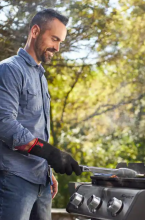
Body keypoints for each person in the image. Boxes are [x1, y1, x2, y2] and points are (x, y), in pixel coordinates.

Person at [0, 9, 82, 220]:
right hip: (14, 180)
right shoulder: (9, 70)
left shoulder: (41, 77)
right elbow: (5, 124)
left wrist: (47, 170)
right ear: (35, 31)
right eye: (54, 39)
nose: (57, 47)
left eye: (61, 42)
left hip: (42, 183)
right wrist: (51, 153)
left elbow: (34, 127)